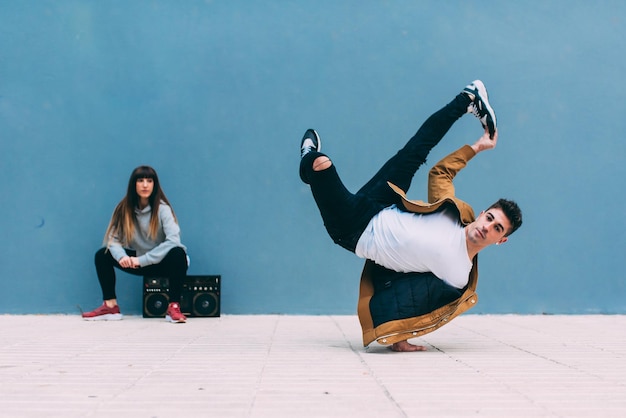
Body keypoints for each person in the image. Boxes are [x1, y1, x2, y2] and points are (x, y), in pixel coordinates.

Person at [299, 80, 522, 352]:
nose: (488, 227)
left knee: (321, 163)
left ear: (501, 240)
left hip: (353, 229)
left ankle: (307, 160)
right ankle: (467, 98)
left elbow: (414, 299)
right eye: (490, 219)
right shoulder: (455, 212)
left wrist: (399, 338)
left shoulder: (458, 276)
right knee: (416, 151)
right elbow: (440, 173)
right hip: (383, 202)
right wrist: (477, 147)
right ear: (483, 214)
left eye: (498, 228)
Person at [82, 165, 189, 323]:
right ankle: (110, 307)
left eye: (149, 181)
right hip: (137, 262)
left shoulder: (162, 209)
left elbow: (173, 239)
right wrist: (122, 257)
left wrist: (141, 260)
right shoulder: (124, 209)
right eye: (140, 180)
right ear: (134, 184)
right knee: (102, 255)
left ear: (154, 184)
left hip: (161, 262)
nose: (145, 185)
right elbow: (113, 238)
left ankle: (173, 307)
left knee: (179, 253)